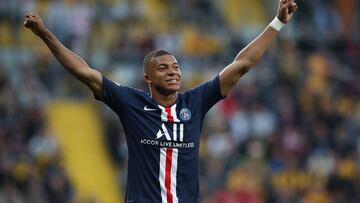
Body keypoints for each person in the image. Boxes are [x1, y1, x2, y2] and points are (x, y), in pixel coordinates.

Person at [24, 0, 298, 202]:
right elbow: (83, 72)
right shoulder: (130, 102)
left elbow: (242, 64)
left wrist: (277, 23)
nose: (173, 72)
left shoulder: (196, 102)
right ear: (148, 77)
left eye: (176, 67)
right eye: (164, 68)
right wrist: (44, 33)